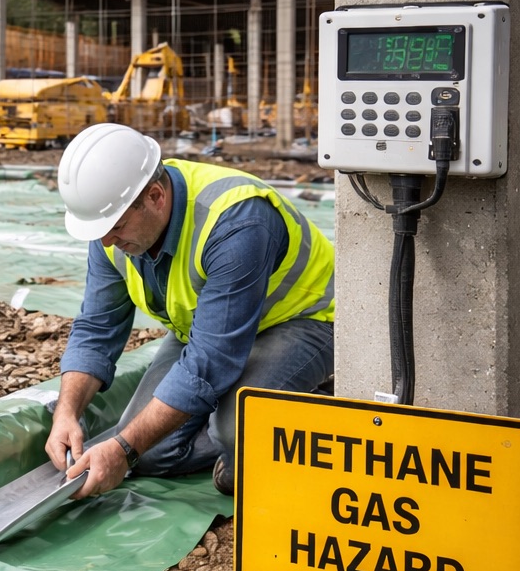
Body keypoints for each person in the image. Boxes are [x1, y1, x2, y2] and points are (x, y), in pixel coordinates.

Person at [45, 123, 335, 500]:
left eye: (115, 227)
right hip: (208, 331)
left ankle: (313, 402)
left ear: (155, 196)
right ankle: (247, 428)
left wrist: (122, 449)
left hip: (302, 320)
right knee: (149, 453)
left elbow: (211, 362)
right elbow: (97, 327)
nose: (105, 241)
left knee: (235, 428)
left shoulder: (236, 221)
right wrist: (67, 413)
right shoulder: (110, 225)